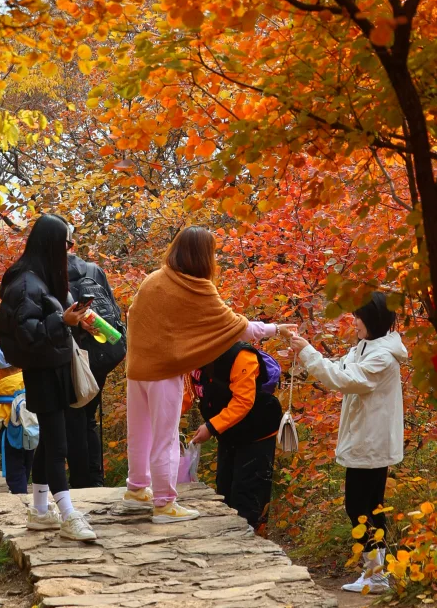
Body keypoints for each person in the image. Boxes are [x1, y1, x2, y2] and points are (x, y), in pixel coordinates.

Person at [125, 225, 292, 524]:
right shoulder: (196, 288)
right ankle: (164, 503)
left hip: (136, 370)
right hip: (163, 373)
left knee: (139, 432)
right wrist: (275, 329)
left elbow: (133, 317)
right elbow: (237, 326)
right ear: (204, 256)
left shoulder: (154, 280)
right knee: (163, 437)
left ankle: (137, 488)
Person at [285, 291, 406, 594]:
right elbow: (339, 369)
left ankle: (376, 574)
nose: (354, 322)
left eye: (358, 316)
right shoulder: (367, 347)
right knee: (369, 507)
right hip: (366, 441)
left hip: (371, 444)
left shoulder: (381, 357)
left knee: (360, 507)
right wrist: (306, 354)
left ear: (373, 319)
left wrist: (308, 352)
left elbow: (344, 380)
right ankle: (376, 572)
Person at [0, 214, 97, 542]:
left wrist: (76, 320)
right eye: (66, 243)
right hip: (42, 373)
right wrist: (62, 322)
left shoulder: (41, 277)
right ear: (52, 244)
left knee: (51, 443)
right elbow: (28, 335)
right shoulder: (25, 282)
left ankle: (40, 511)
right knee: (58, 444)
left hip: (56, 369)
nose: (69, 249)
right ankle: (68, 514)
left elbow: (49, 320)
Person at [187, 338, 282, 530]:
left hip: (257, 432)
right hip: (229, 433)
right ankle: (228, 536)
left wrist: (212, 427)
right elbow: (187, 392)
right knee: (225, 489)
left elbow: (243, 401)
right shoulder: (193, 356)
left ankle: (254, 545)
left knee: (247, 496)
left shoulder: (241, 356)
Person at [65, 240, 126, 489]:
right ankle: (96, 479)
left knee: (72, 417)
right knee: (89, 418)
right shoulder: (94, 270)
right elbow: (114, 309)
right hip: (102, 353)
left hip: (74, 355)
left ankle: (79, 483)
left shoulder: (50, 276)